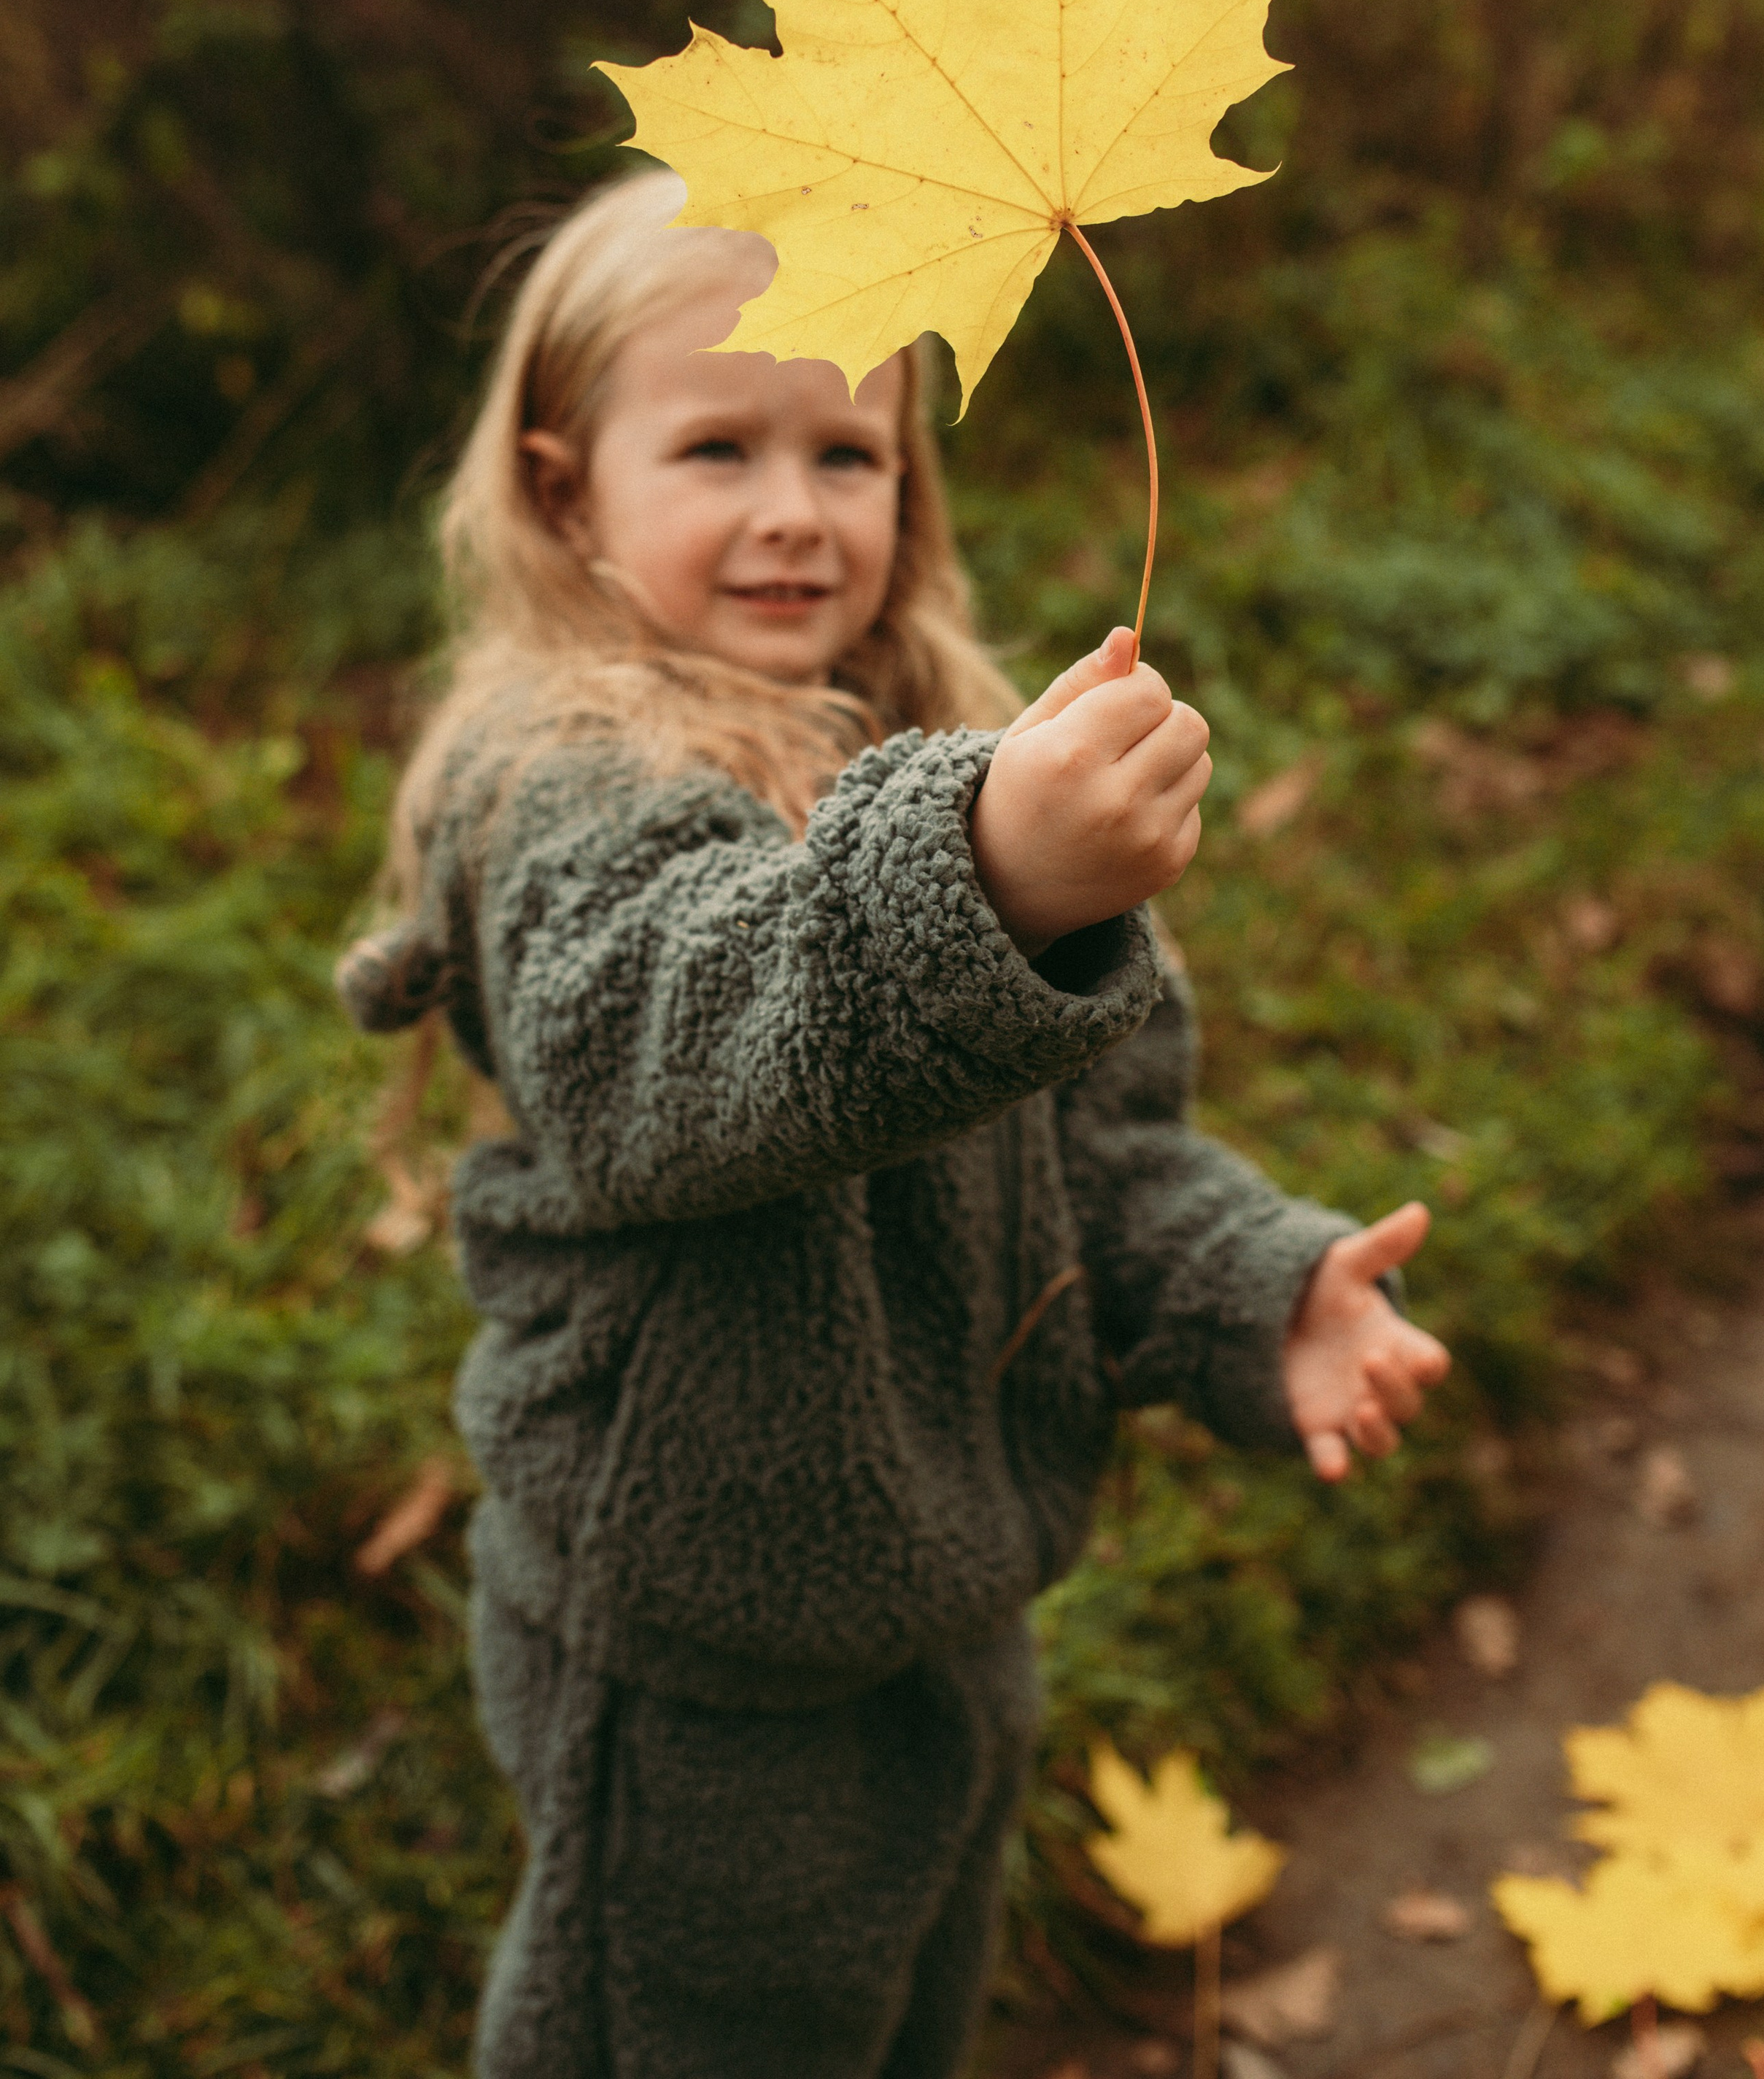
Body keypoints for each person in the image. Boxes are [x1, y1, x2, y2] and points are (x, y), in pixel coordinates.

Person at [338, 170, 1450, 2079]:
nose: (793, 509)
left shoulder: (937, 748)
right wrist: (986, 876)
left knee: (899, 2021)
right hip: (701, 1646)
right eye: (715, 446)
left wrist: (1252, 1296)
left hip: (945, 1591)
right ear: (559, 489)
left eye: (846, 451)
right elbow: (678, 1041)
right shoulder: (561, 787)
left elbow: (1096, 1161)